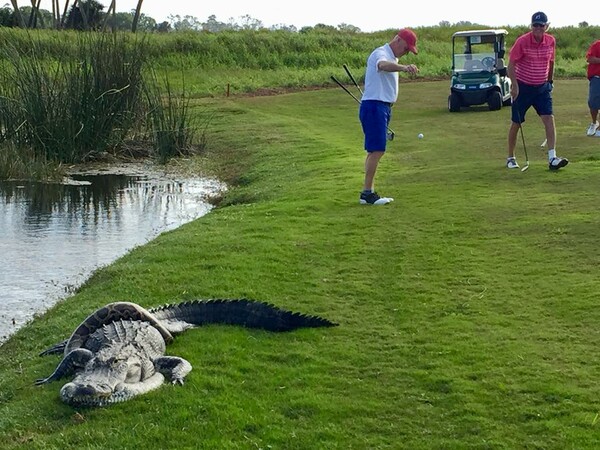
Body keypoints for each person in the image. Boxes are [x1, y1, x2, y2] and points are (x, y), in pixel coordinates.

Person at [358, 29, 419, 205]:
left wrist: (400, 64)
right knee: (377, 150)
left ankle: (368, 192)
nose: (406, 52)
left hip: (381, 107)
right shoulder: (381, 53)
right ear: (397, 40)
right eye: (406, 48)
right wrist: (404, 68)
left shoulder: (393, 57)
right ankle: (367, 193)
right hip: (375, 106)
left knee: (374, 150)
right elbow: (382, 65)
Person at [505, 12, 568, 171]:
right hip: (523, 87)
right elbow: (511, 65)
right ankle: (511, 158)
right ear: (531, 26)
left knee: (549, 119)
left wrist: (550, 81)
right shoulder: (522, 42)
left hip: (542, 88)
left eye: (541, 25)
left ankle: (552, 158)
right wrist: (514, 85)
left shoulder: (550, 41)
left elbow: (551, 61)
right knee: (516, 122)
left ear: (547, 26)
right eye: (535, 25)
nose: (538, 28)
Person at [585, 39, 600, 136]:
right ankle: (594, 123)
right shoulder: (597, 45)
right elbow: (589, 58)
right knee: (593, 102)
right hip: (596, 77)